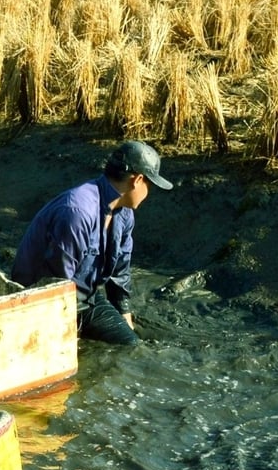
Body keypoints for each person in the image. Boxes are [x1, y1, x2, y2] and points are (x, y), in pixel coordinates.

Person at [11, 140, 174, 346]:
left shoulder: (124, 214)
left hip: (83, 298)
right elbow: (56, 281)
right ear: (137, 180)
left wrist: (125, 320)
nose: (148, 192)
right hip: (36, 302)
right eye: (149, 184)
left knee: (131, 344)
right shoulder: (78, 211)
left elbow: (119, 273)